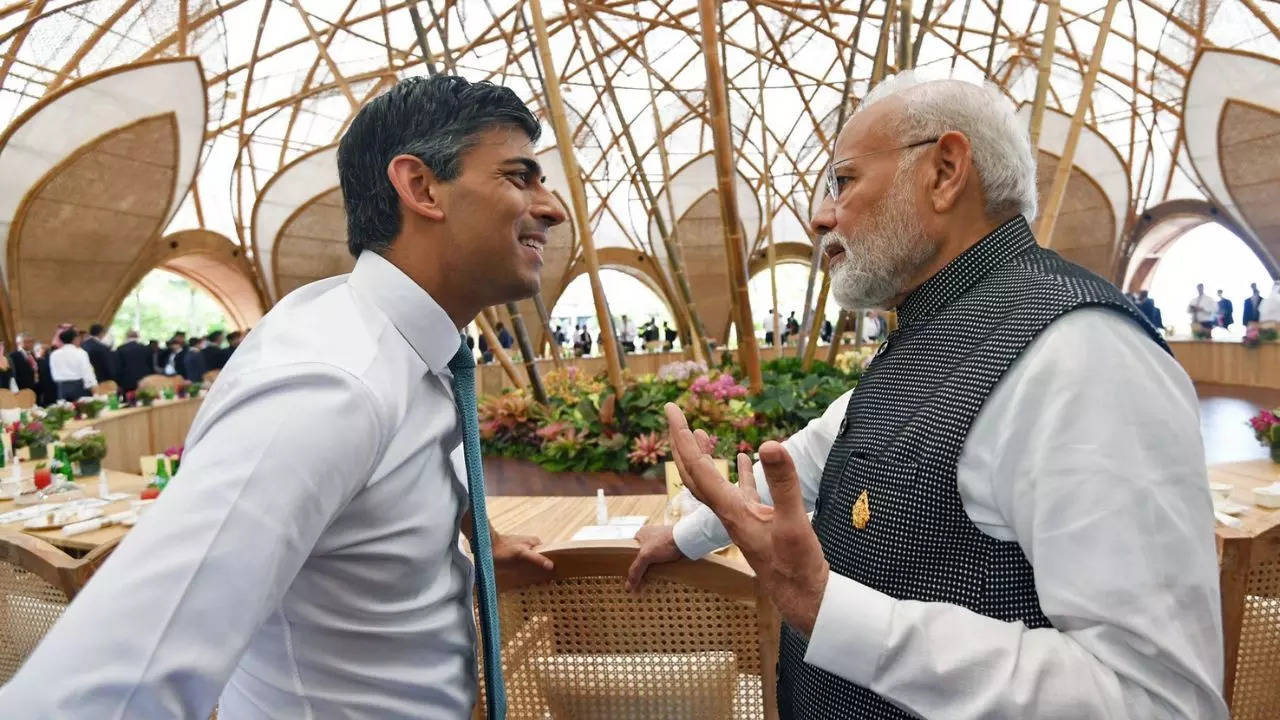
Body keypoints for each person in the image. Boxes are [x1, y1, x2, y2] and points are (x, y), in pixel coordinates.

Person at [628, 74, 1225, 719]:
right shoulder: (937, 328)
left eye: (844, 180)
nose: (821, 217)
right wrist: (689, 535)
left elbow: (1157, 701)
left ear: (945, 171)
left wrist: (831, 610)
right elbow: (824, 450)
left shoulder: (1085, 355)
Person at [1, 75, 564, 718]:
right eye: (520, 177)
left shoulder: (416, 354)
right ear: (421, 187)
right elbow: (102, 693)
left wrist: (475, 540)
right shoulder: (328, 386)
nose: (551, 207)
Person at [48, 327, 96, 401]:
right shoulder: (81, 352)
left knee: (65, 411)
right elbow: (87, 373)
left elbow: (53, 372)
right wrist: (94, 389)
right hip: (78, 388)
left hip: (61, 388)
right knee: (82, 411)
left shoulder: (54, 354)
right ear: (75, 339)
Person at [114, 330, 152, 394]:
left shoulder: (120, 349)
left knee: (130, 401)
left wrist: (118, 383)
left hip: (127, 381)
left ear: (126, 337)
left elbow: (118, 367)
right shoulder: (146, 348)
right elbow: (150, 365)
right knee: (145, 399)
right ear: (138, 336)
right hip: (144, 379)